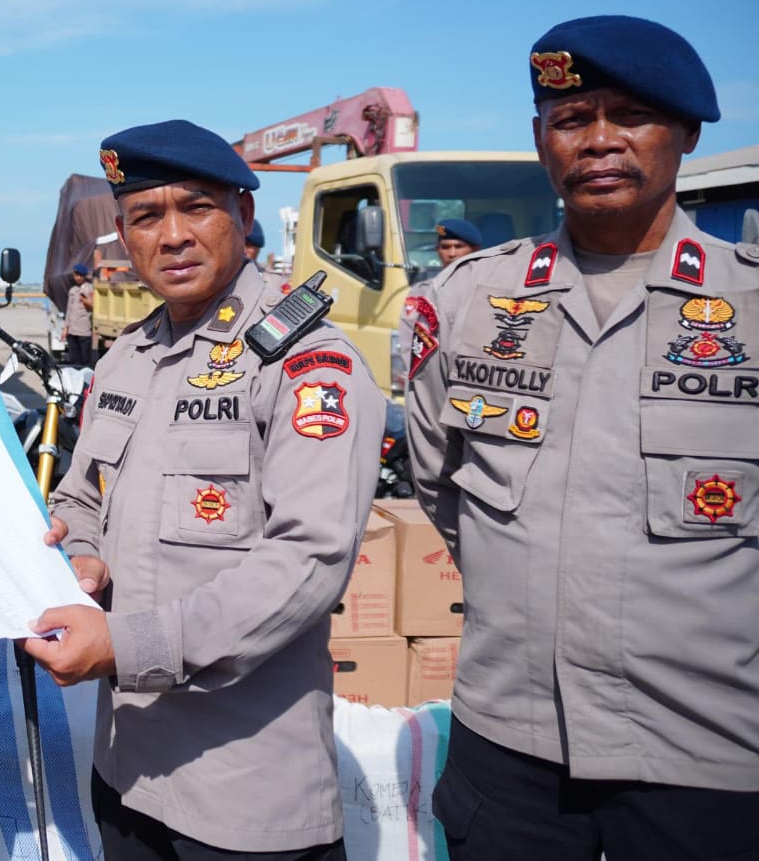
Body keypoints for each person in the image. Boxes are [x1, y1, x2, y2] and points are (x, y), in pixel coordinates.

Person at [407, 15, 759, 860]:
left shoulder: (749, 307)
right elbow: (440, 487)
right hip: (510, 743)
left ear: (687, 133)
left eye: (631, 115)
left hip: (706, 752)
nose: (599, 140)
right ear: (541, 140)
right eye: (571, 119)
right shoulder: (467, 301)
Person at [24, 120, 385, 859]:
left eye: (196, 208)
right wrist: (83, 555)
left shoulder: (306, 362)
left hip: (243, 788)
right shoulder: (127, 356)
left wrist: (126, 645)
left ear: (243, 215)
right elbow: (79, 498)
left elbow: (308, 561)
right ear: (123, 235)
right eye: (146, 217)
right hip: (125, 768)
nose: (173, 236)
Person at [401, 218, 483, 340]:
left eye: (458, 246)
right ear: (437, 250)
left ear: (475, 250)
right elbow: (408, 334)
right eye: (445, 247)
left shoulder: (485, 288)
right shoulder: (422, 291)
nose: (452, 253)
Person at [62, 262, 95, 365]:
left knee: (85, 361)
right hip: (72, 331)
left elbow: (93, 306)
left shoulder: (89, 288)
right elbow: (69, 310)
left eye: (80, 275)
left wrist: (84, 300)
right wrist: (65, 328)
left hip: (84, 330)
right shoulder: (73, 290)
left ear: (84, 276)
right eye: (76, 275)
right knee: (74, 360)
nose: (78, 278)